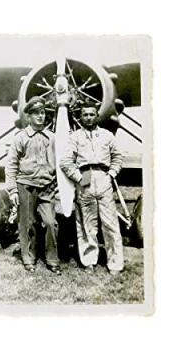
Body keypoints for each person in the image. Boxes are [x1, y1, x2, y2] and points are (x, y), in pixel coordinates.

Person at [60, 106, 124, 275]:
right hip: (85, 178)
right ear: (80, 117)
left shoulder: (107, 136)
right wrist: (78, 177)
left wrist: (111, 174)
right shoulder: (74, 137)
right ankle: (89, 260)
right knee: (86, 223)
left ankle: (115, 263)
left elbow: (117, 157)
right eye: (85, 114)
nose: (88, 117)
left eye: (91, 114)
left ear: (97, 116)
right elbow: (65, 161)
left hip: (103, 177)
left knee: (110, 223)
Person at [5, 96, 61, 274]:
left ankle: (52, 259)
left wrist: (58, 183)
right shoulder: (20, 138)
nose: (40, 116)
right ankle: (29, 258)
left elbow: (60, 162)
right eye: (36, 113)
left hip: (47, 186)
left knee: (51, 222)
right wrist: (13, 190)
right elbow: (11, 164)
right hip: (26, 186)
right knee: (28, 223)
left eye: (42, 112)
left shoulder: (52, 138)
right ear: (28, 116)